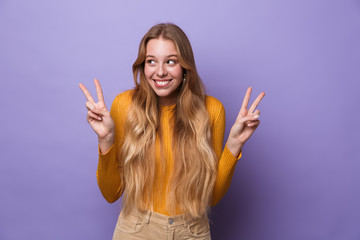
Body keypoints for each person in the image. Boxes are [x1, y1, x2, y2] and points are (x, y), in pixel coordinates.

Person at [79, 23, 265, 240]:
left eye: (171, 61)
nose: (160, 71)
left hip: (192, 231)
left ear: (185, 66)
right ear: (143, 65)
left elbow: (211, 197)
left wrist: (234, 146)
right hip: (136, 230)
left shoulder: (212, 110)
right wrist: (106, 140)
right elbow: (111, 194)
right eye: (151, 61)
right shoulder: (124, 105)